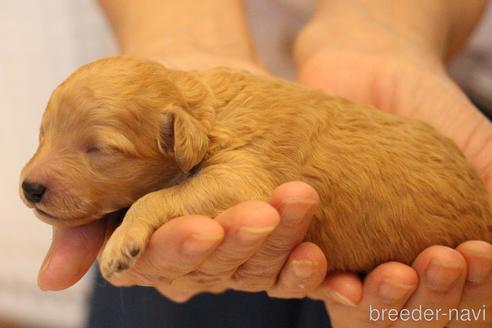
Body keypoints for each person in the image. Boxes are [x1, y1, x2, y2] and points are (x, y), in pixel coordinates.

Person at [37, 1, 492, 327]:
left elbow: (240, 187)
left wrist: (385, 32)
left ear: (181, 142)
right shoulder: (163, 122)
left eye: (101, 149)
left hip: (449, 84)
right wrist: (180, 33)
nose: (36, 173)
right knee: (152, 292)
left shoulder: (217, 141)